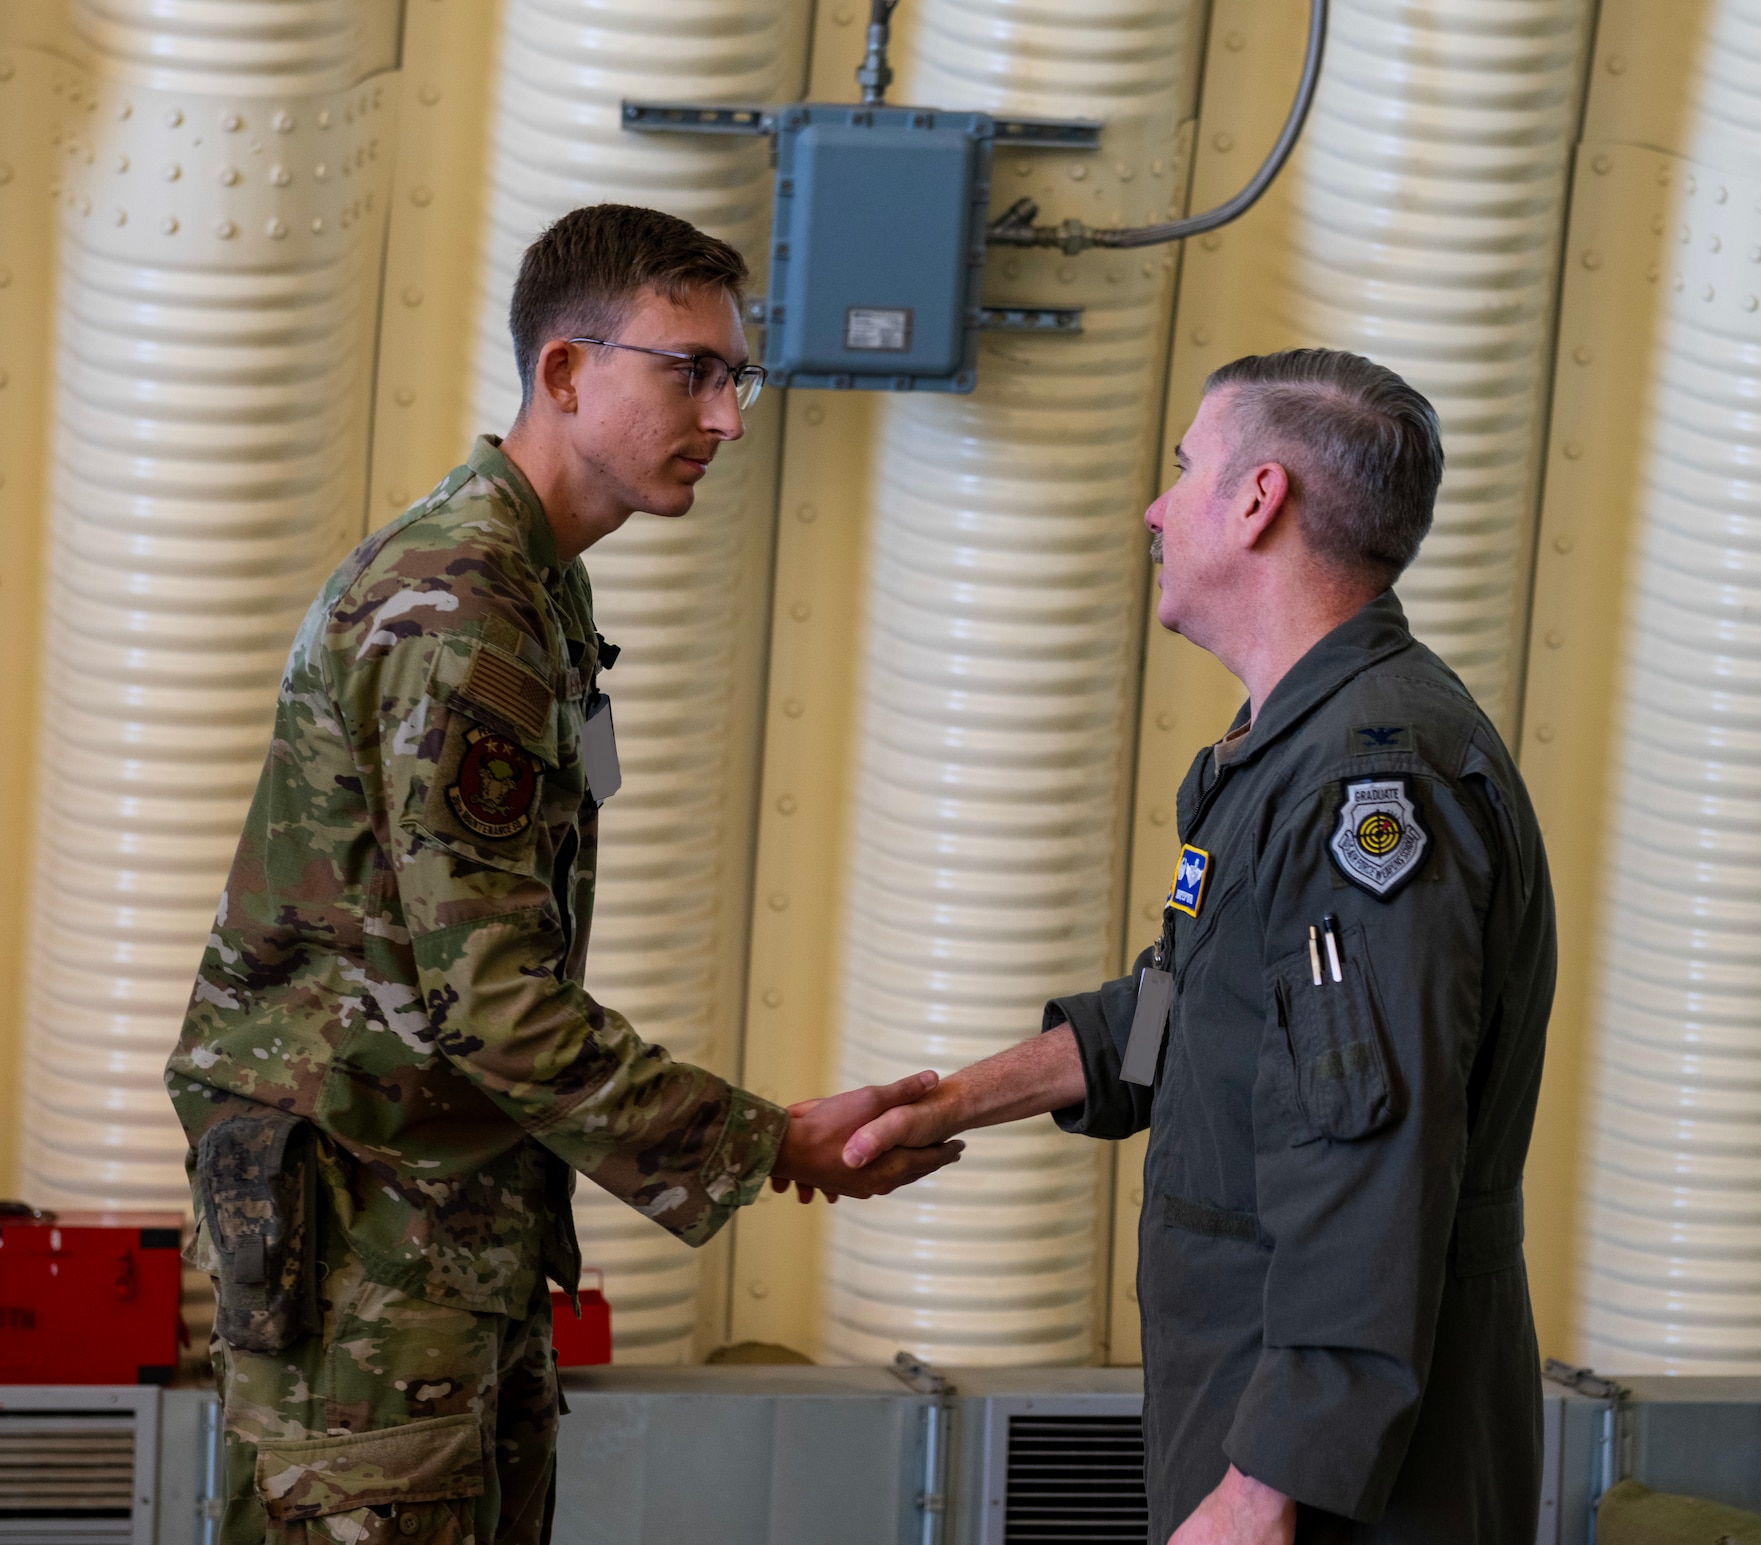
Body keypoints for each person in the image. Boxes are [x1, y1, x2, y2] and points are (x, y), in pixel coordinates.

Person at [164, 204, 961, 1545]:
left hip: (444, 1213)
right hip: (372, 1235)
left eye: (737, 376)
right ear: (566, 371)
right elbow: (494, 1006)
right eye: (691, 372)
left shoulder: (535, 587)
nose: (728, 418)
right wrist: (768, 1142)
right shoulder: (462, 608)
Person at [844, 349, 1557, 1544]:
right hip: (1252, 1404)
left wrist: (1265, 1484)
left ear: (1257, 500)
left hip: (1332, 1473)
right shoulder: (1289, 749)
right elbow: (1180, 1018)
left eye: (1182, 470)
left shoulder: (1367, 784)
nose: (1153, 507)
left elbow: (1370, 1155)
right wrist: (944, 1103)